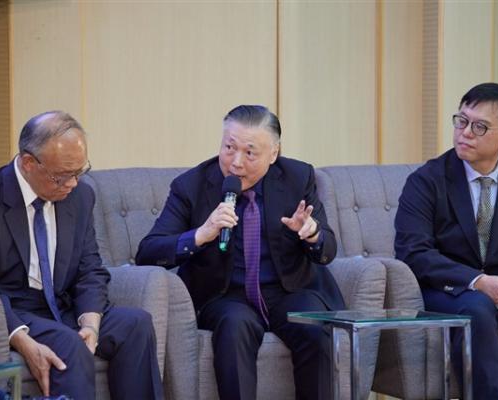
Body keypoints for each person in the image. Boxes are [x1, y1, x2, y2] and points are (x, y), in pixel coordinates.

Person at [0, 111, 164, 400]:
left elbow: (90, 268)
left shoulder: (80, 196)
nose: (73, 183)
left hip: (63, 305)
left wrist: (91, 324)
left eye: (80, 172)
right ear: (29, 163)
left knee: (136, 324)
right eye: (62, 176)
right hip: (15, 308)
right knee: (69, 344)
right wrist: (21, 339)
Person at [136, 105, 344, 400]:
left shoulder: (298, 177)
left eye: (250, 153)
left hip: (290, 291)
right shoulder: (191, 186)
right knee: (234, 328)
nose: (235, 163)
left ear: (273, 154)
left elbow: (328, 249)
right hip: (226, 296)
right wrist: (201, 234)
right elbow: (147, 251)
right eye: (229, 147)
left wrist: (312, 234)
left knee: (314, 327)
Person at [395, 82, 498, 399]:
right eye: (461, 121)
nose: (465, 133)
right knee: (477, 308)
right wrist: (478, 282)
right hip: (449, 289)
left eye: (480, 127)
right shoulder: (426, 180)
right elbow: (414, 252)